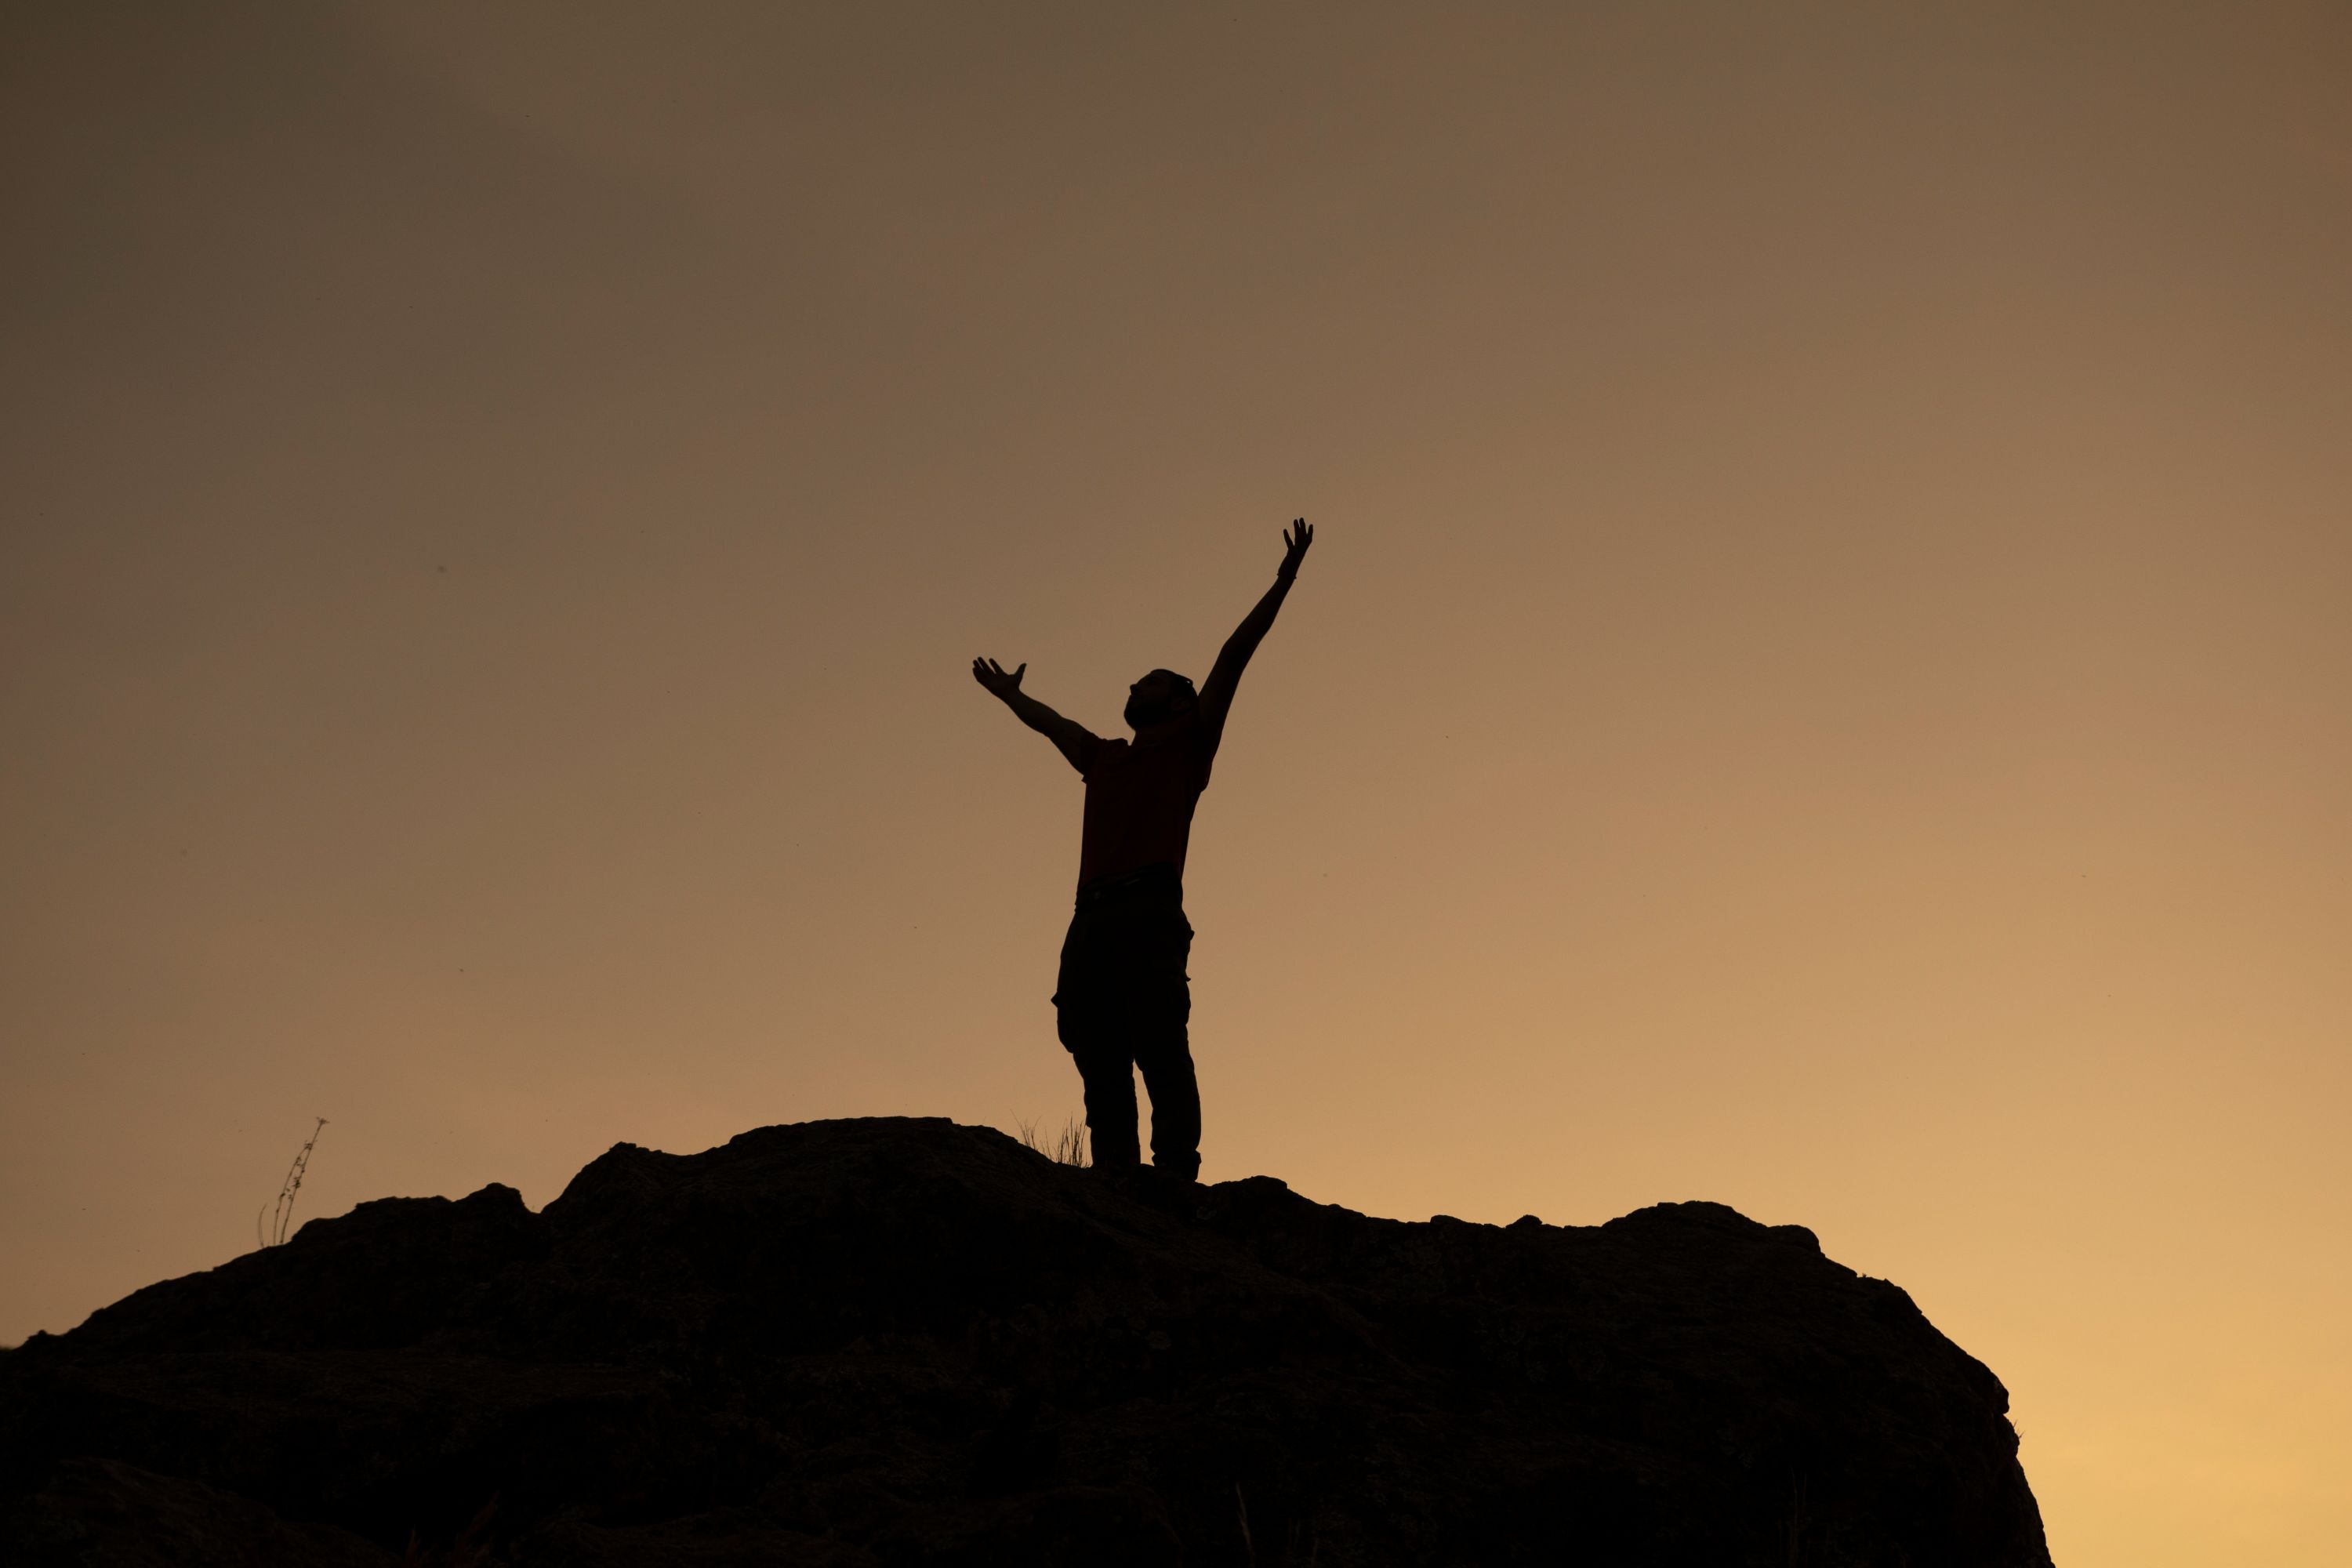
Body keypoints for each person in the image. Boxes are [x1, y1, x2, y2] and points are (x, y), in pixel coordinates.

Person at [972, 520, 1314, 1183]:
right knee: (1096, 1047)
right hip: (1091, 917)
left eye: (1149, 682)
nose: (1134, 688)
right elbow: (1053, 727)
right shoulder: (1105, 759)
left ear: (1181, 699)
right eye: (1132, 684)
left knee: (1158, 1043)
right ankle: (1117, 1180)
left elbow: (1234, 653)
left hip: (1149, 909)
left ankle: (1176, 1176)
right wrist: (1014, 698)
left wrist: (1283, 581)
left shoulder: (1191, 741)